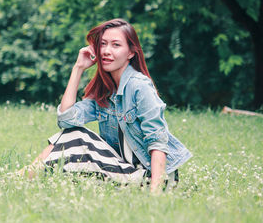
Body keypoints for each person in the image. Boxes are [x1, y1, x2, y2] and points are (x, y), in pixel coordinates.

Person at [20, 19, 192, 193]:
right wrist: (78, 68)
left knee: (76, 136)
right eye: (103, 44)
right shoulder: (106, 91)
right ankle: (23, 177)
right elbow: (66, 119)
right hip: (124, 170)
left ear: (131, 53)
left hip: (152, 176)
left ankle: (21, 178)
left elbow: (157, 142)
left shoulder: (139, 86)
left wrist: (156, 193)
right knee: (70, 133)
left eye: (116, 45)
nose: (107, 51)